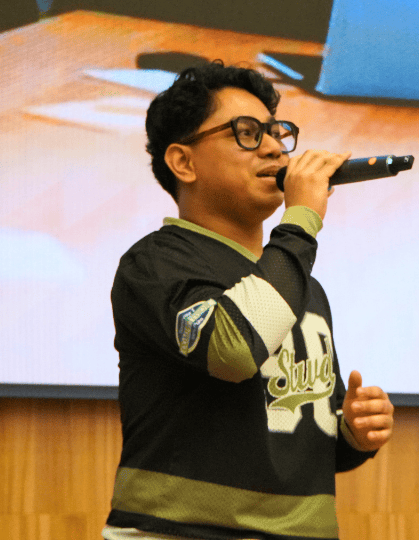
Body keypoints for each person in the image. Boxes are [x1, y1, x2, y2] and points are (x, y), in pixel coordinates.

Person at [103, 60, 395, 540]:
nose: (274, 148)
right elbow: (233, 350)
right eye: (246, 133)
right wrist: (301, 220)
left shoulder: (300, 283)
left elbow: (304, 435)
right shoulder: (155, 264)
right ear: (183, 162)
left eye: (277, 133)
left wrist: (353, 432)